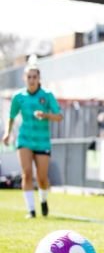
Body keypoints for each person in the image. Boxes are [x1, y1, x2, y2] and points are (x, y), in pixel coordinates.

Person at [2, 60, 63, 218]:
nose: (32, 79)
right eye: (29, 76)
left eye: (34, 76)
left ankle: (43, 201)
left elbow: (59, 116)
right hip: (25, 140)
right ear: (25, 78)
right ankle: (31, 210)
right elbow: (11, 116)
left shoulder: (47, 95)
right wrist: (7, 133)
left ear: (39, 78)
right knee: (26, 173)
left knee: (42, 178)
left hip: (42, 140)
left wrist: (46, 115)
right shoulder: (19, 96)